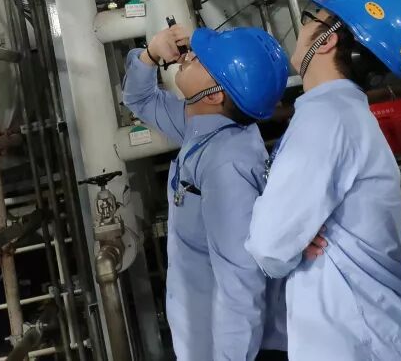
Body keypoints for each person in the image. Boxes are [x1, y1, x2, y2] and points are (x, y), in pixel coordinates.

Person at [245, 0, 401, 361]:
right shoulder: (342, 114)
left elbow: (270, 246)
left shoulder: (325, 119)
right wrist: (293, 232)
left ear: (327, 40)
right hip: (370, 333)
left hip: (355, 340)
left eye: (312, 18)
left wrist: (288, 234)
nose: (302, 27)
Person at [122, 23, 290, 361]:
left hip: (228, 348)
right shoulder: (203, 128)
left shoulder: (226, 164)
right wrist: (150, 55)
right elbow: (139, 98)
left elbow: (240, 279)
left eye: (202, 60)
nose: (190, 56)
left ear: (214, 95)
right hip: (203, 339)